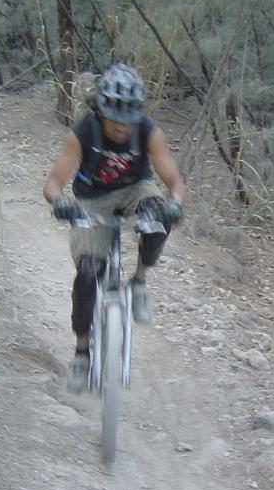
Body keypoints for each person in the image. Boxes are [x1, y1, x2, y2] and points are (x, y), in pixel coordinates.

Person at [43, 62, 187, 392]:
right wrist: (60, 201)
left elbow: (173, 180)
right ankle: (82, 352)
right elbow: (54, 182)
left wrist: (175, 203)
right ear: (101, 109)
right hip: (92, 199)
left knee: (156, 218)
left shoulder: (148, 132)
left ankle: (138, 281)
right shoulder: (83, 133)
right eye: (115, 118)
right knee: (88, 273)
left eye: (128, 118)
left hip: (136, 190)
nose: (122, 126)